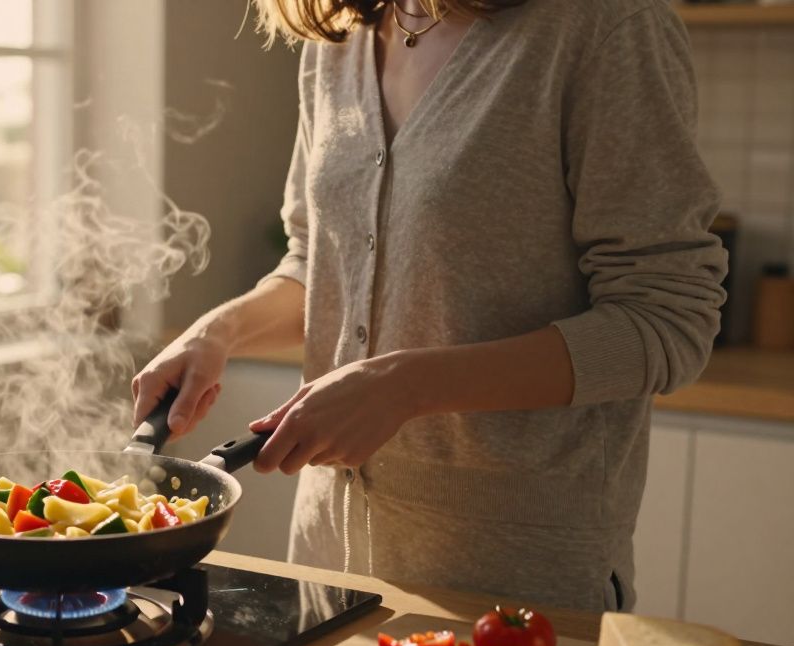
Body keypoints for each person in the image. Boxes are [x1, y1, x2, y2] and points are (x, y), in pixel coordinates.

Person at [131, 0, 726, 613]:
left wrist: (406, 386)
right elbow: (322, 263)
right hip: (326, 555)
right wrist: (220, 331)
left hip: (514, 580)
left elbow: (667, 317)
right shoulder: (339, 37)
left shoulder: (606, 26)